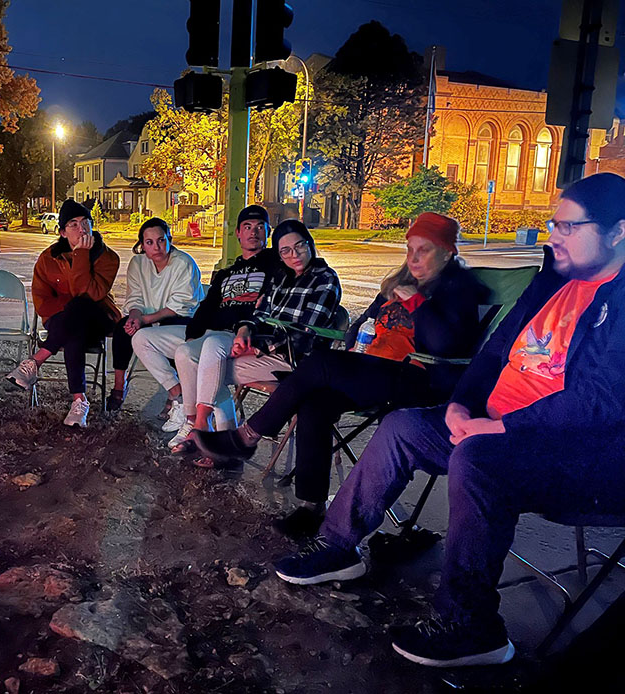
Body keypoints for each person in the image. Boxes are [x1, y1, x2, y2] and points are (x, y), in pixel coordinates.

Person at [266, 173, 625, 668]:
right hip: (492, 424)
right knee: (402, 428)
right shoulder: (553, 281)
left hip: (575, 453)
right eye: (552, 224)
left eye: (568, 227)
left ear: (618, 232)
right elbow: (494, 350)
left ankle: (471, 624)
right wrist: (462, 402)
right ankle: (338, 547)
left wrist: (500, 428)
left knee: (478, 457)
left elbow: (601, 403)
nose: (552, 236)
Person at [195, 212, 484, 536]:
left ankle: (247, 436)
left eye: (424, 250)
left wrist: (415, 302)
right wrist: (360, 339)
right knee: (314, 403)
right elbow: (357, 328)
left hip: (417, 378)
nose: (413, 258)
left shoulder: (458, 287)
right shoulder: (400, 281)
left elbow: (447, 345)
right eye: (409, 249)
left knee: (318, 363)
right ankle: (310, 507)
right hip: (374, 369)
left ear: (447, 252)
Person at [165, 204, 280, 452]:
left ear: (268, 232)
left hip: (249, 336)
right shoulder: (227, 273)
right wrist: (192, 335)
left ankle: (202, 425)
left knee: (212, 348)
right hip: (220, 335)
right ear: (238, 233)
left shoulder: (276, 266)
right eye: (248, 227)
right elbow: (207, 307)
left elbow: (268, 305)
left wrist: (244, 327)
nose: (254, 232)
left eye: (260, 227)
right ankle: (194, 423)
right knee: (186, 353)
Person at [5, 199, 120, 428]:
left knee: (81, 306)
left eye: (86, 222)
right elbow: (42, 303)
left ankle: (34, 363)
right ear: (63, 232)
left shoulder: (107, 257)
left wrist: (81, 255)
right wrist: (69, 306)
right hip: (63, 323)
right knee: (73, 327)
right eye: (74, 224)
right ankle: (79, 401)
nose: (82, 229)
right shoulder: (49, 258)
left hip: (98, 319)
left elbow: (90, 294)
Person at [228, 219, 341, 389]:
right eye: (285, 251)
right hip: (269, 350)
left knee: (216, 369)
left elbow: (304, 333)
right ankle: (206, 415)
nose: (294, 255)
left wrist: (258, 348)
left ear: (310, 244)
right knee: (210, 359)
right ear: (279, 255)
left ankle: (201, 415)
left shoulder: (325, 278)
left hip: (297, 359)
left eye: (300, 246)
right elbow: (262, 313)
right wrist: (248, 329)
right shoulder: (281, 276)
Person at [111, 217, 203, 411]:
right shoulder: (138, 263)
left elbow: (181, 305)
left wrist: (144, 319)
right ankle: (119, 384)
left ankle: (176, 391)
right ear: (142, 245)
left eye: (161, 240)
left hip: (182, 317)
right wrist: (135, 317)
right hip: (147, 316)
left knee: (169, 330)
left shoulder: (183, 263)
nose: (156, 247)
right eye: (149, 242)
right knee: (123, 328)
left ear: (169, 239)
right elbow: (135, 297)